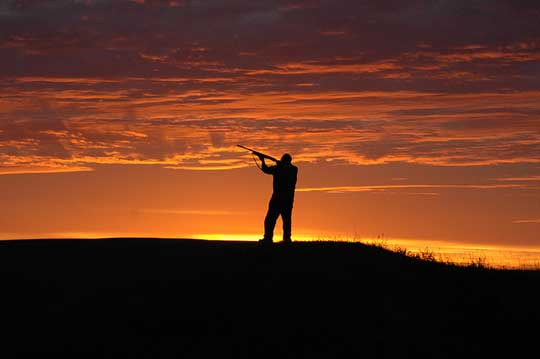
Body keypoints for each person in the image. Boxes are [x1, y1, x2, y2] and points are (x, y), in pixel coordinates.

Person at [257, 153, 298, 244]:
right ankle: (286, 239)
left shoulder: (282, 168)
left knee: (270, 220)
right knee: (286, 220)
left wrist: (262, 161)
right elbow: (269, 170)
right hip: (288, 200)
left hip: (277, 199)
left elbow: (266, 170)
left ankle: (268, 238)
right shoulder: (293, 169)